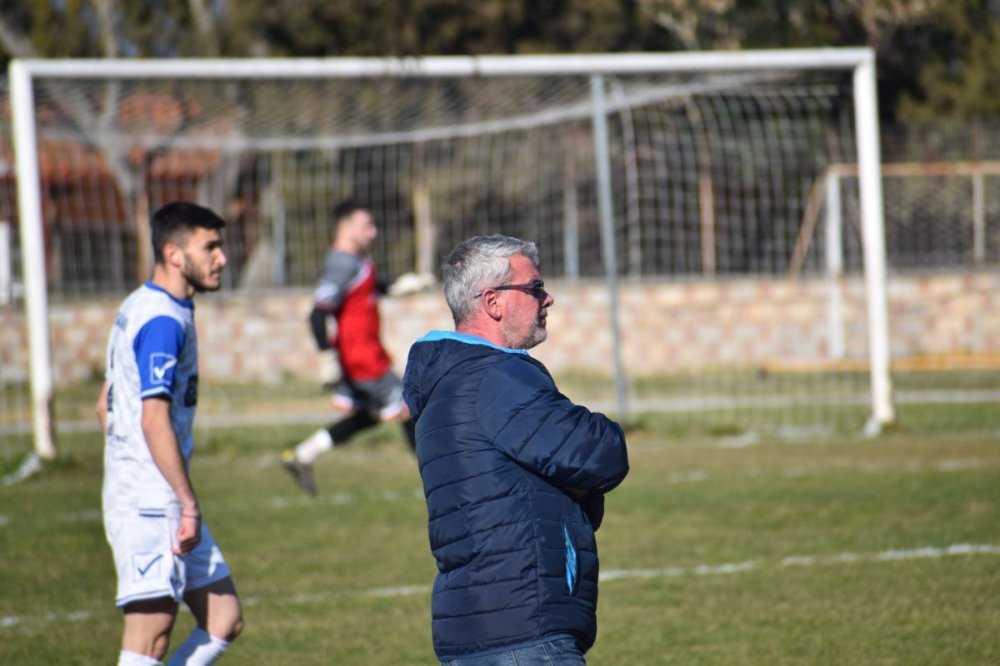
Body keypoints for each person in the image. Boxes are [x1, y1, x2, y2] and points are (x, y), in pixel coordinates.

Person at [402, 235, 629, 665]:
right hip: (524, 629)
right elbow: (603, 454)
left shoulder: (446, 379)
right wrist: (578, 486)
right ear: (493, 302)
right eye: (535, 288)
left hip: (473, 630)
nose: (548, 299)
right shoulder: (499, 378)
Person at [96, 202, 244, 666]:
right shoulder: (162, 321)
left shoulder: (144, 305)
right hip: (152, 503)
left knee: (223, 617)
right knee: (149, 639)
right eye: (211, 247)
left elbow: (105, 404)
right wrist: (183, 500)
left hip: (150, 491)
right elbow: (152, 418)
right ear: (174, 254)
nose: (222, 257)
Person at [282, 201, 416, 495]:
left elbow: (363, 289)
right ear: (346, 227)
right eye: (366, 225)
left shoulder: (356, 261)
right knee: (408, 407)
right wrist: (326, 359)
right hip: (361, 357)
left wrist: (397, 285)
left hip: (368, 352)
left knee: (368, 416)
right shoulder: (341, 262)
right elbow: (318, 313)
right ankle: (439, 478)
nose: (373, 232)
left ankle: (304, 454)